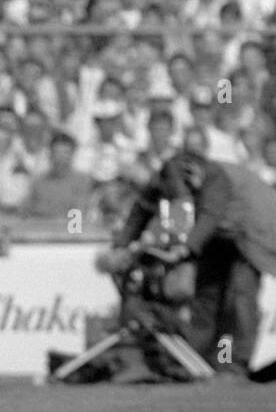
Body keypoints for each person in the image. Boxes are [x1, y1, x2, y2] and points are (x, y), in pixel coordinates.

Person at [111, 150, 275, 380]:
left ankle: (233, 363)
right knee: (205, 296)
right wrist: (122, 245)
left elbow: (210, 215)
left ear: (194, 173)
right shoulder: (166, 176)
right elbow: (142, 210)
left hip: (251, 231)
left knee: (239, 298)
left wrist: (186, 248)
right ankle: (200, 360)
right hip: (218, 235)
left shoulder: (215, 176)